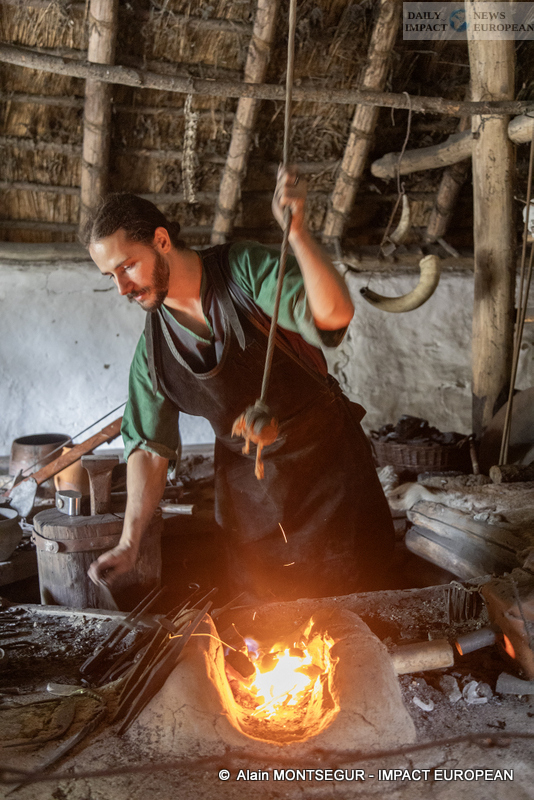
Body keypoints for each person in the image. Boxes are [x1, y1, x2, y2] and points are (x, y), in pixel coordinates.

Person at [83, 168, 394, 602]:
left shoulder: (242, 273)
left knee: (363, 605)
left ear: (160, 240)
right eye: (110, 276)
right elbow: (148, 449)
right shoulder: (153, 351)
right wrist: (129, 542)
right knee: (268, 626)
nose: (121, 287)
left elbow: (334, 315)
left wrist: (298, 234)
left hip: (330, 472)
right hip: (250, 499)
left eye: (127, 266)